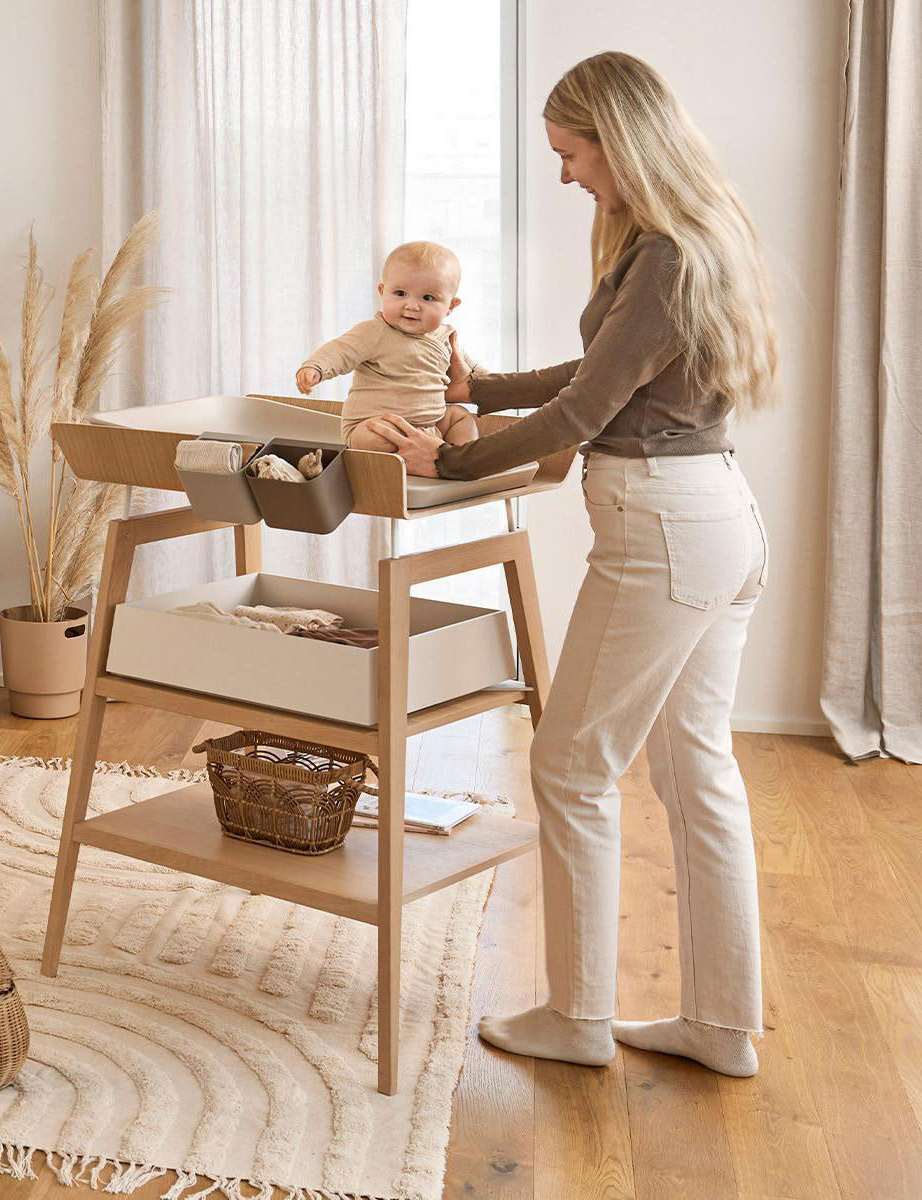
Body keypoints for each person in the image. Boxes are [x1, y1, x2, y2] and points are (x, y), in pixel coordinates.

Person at [369, 51, 777, 1078]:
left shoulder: (668, 256)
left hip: (666, 532)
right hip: (716, 519)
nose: (564, 176)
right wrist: (489, 383)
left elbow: (586, 412)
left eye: (570, 152)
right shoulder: (688, 242)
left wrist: (453, 453)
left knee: (569, 766)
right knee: (697, 772)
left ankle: (579, 1018)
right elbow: (604, 375)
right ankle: (723, 1028)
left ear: (618, 136)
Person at [296, 240, 480, 451]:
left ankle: (457, 458)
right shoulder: (375, 332)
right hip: (376, 424)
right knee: (376, 436)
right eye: (400, 293)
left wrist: (493, 387)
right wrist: (316, 367)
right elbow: (340, 351)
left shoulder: (446, 337)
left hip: (430, 425)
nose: (412, 305)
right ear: (383, 291)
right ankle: (433, 459)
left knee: (461, 417)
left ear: (451, 306)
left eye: (428, 297)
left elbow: (473, 371)